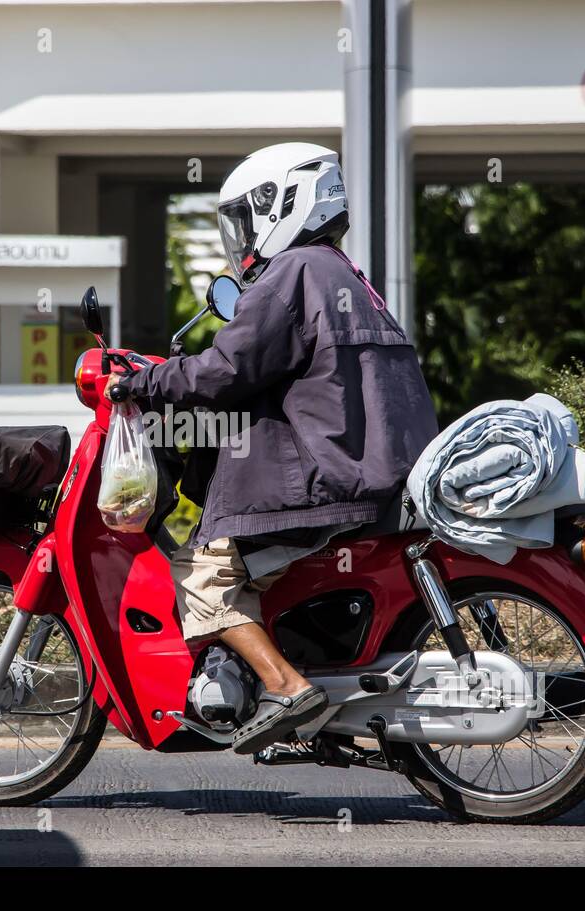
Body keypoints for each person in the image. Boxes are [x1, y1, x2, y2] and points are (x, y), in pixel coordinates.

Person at [108, 142, 439, 755]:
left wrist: (139, 383)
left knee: (202, 577)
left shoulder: (291, 274)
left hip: (324, 479)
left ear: (280, 202)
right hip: (373, 472)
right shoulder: (347, 276)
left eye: (245, 216)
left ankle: (285, 686)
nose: (243, 236)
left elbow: (225, 369)